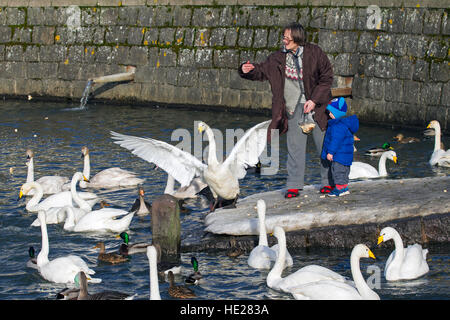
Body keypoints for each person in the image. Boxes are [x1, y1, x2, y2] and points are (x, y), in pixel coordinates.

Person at [238, 22, 334, 198]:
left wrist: (314, 100)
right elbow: (261, 71)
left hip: (318, 106)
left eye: (288, 37)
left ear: (297, 37)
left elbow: (327, 77)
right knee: (295, 147)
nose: (285, 40)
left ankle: (328, 182)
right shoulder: (277, 58)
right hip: (293, 107)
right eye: (284, 36)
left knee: (324, 145)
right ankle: (294, 185)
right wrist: (247, 70)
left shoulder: (315, 53)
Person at [321, 97, 359, 197]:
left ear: (337, 113)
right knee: (344, 172)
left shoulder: (337, 126)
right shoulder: (345, 124)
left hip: (339, 154)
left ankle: (339, 189)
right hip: (346, 154)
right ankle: (344, 187)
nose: (329, 114)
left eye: (331, 112)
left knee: (338, 171)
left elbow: (335, 141)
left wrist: (330, 152)